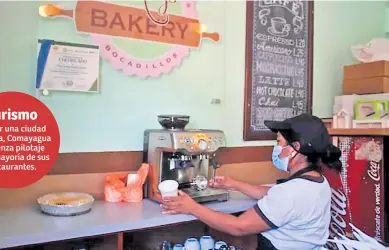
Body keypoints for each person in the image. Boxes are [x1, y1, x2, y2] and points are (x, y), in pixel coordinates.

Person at [161, 113, 342, 250]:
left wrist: (192, 207)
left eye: (279, 142)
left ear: (295, 149)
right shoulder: (318, 182)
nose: (276, 148)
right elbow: (272, 195)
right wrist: (234, 184)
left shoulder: (290, 193)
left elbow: (238, 227)